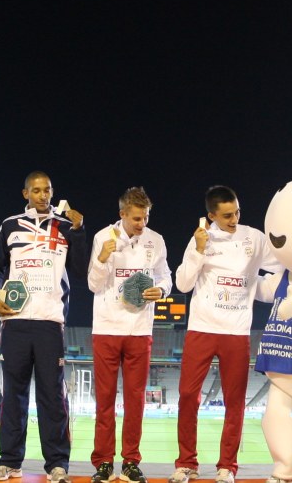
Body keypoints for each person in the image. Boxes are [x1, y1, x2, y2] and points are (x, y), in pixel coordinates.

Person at [169, 185, 283, 483]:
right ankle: (186, 464)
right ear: (211, 215)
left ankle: (227, 467)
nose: (234, 219)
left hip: (236, 330)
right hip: (202, 327)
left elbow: (282, 264)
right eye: (227, 215)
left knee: (235, 401)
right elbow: (182, 284)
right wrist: (197, 250)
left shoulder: (254, 238)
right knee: (186, 396)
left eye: (237, 212)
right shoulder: (201, 239)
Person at [0, 171, 87, 483]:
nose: (43, 196)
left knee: (52, 397)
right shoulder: (9, 225)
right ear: (25, 193)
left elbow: (80, 271)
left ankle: (57, 465)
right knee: (13, 395)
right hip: (14, 322)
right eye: (37, 190)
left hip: (50, 323)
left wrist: (80, 231)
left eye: (48, 190)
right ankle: (9, 462)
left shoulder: (67, 224)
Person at [87, 187, 172, 483]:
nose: (142, 223)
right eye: (136, 218)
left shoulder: (156, 240)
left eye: (145, 217)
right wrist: (101, 259)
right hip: (107, 328)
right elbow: (93, 285)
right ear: (122, 214)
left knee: (135, 401)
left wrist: (160, 291)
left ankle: (131, 462)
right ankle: (103, 462)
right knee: (105, 400)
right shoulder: (102, 237)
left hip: (139, 330)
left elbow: (165, 276)